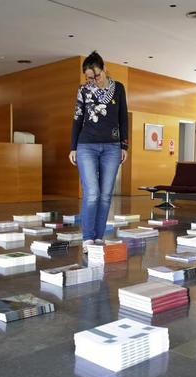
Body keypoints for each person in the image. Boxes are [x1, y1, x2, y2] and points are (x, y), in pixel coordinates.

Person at [69, 51, 128, 253]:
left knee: (105, 195)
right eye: (89, 77)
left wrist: (124, 145)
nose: (93, 80)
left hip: (112, 147)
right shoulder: (83, 90)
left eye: (96, 75)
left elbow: (123, 119)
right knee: (92, 193)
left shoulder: (119, 88)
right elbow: (77, 118)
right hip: (87, 146)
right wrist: (73, 147)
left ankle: (98, 237)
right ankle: (87, 238)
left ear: (104, 70)